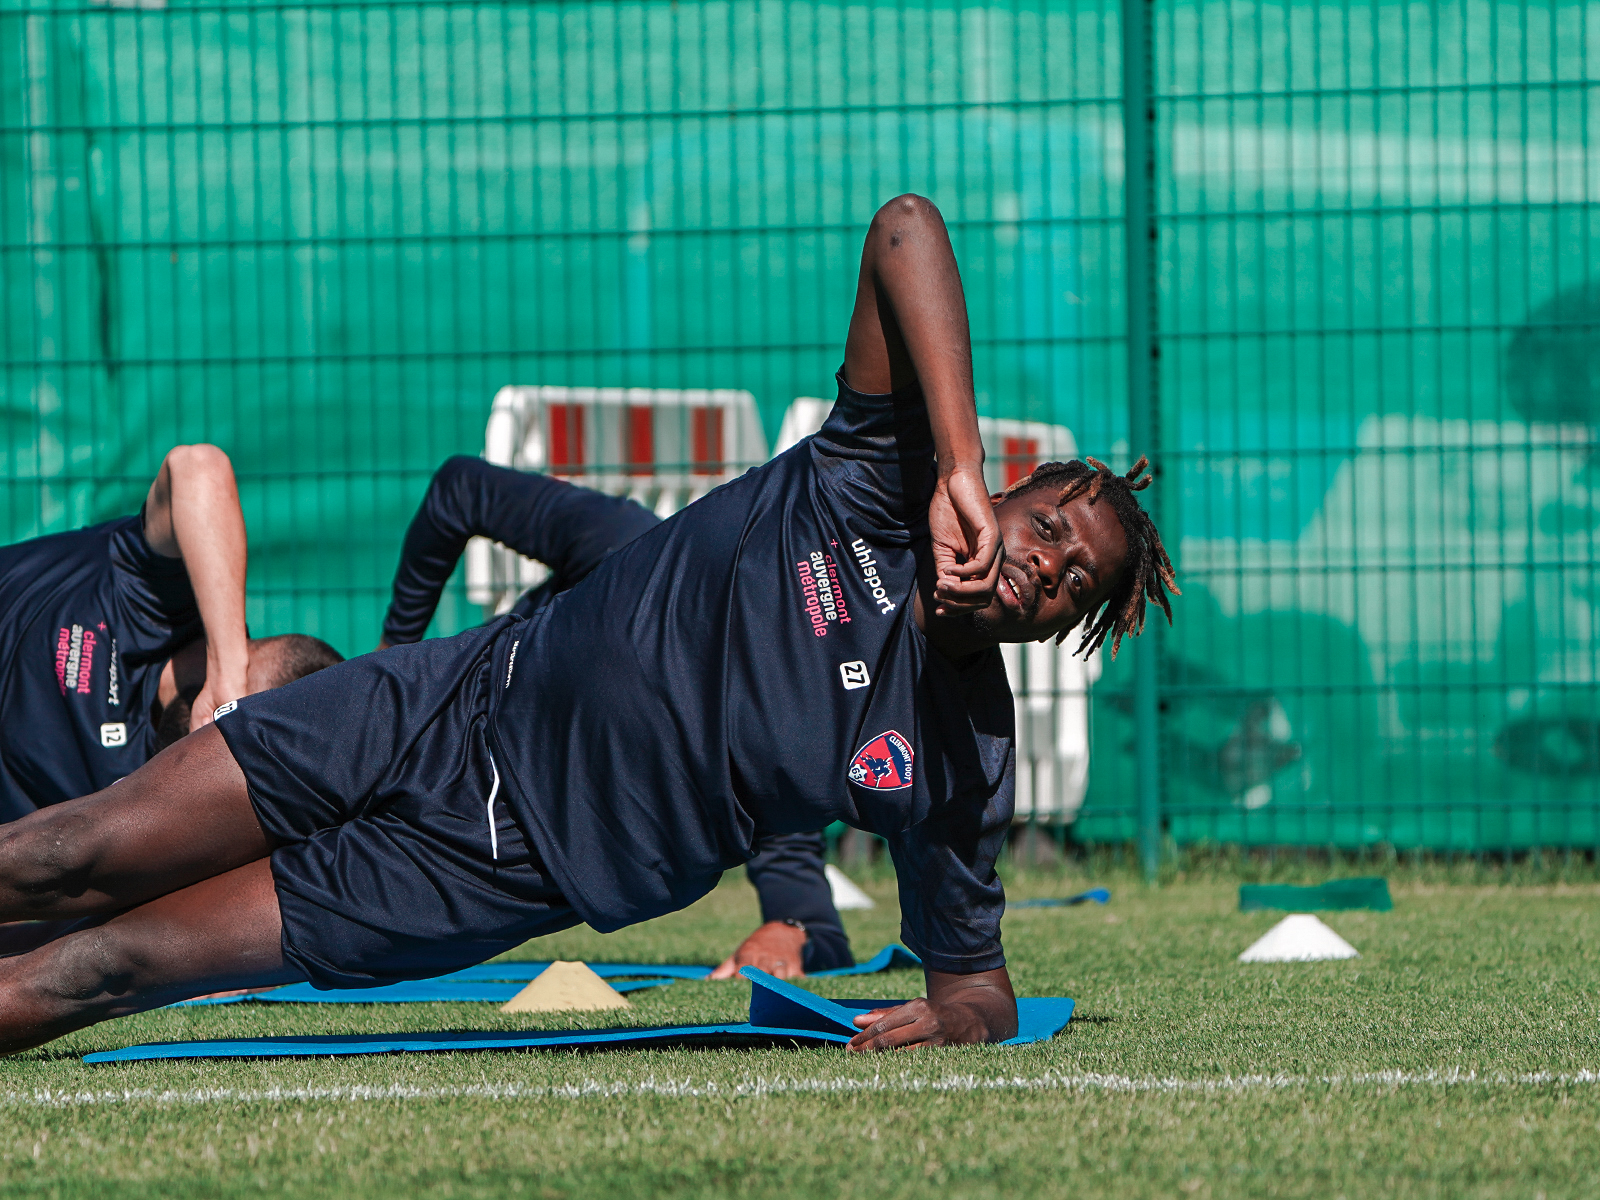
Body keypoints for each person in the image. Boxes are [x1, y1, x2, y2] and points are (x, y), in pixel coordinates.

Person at [0, 195, 1175, 1054]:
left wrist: (962, 1020)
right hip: (436, 700)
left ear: (1058, 629)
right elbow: (905, 228)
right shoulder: (872, 477)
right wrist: (954, 457)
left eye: (1075, 583)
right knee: (64, 855)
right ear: (1005, 495)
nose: (1047, 565)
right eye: (1049, 526)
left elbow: (978, 984)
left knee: (105, 965)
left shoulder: (962, 750)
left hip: (484, 867)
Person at [378, 455, 855, 977]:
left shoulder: (763, 718)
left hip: (486, 825)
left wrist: (791, 926)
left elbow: (805, 905)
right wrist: (394, 651)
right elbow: (460, 488)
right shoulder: (628, 546)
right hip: (431, 720)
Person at [0, 443, 344, 822]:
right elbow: (199, 468)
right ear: (252, 651)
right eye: (245, 716)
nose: (230, 730)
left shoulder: (157, 802)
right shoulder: (162, 598)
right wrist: (226, 678)